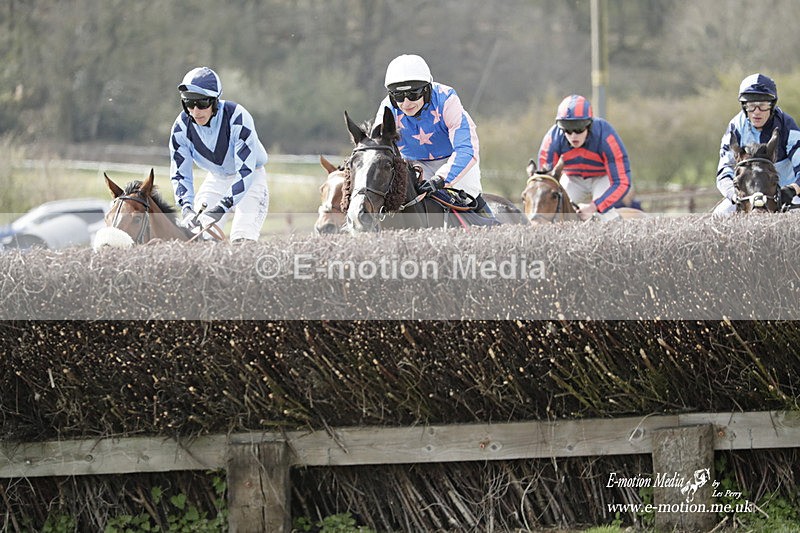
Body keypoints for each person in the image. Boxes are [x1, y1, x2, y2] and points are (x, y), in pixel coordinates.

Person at [374, 54, 490, 214]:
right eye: (399, 96)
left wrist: (440, 179)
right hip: (414, 164)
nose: (406, 103)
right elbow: (376, 150)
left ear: (427, 90)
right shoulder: (387, 107)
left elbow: (467, 149)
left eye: (413, 94)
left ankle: (491, 222)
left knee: (471, 198)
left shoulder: (446, 99)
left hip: (453, 160)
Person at [169, 66, 269, 241]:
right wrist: (186, 208)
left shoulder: (238, 117)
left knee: (242, 238)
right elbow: (180, 174)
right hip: (216, 178)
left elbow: (245, 171)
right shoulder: (181, 127)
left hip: (251, 178)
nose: (195, 111)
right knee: (198, 238)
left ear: (215, 101)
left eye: (202, 103)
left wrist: (223, 205)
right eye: (188, 103)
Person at [714, 73, 800, 215]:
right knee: (720, 214)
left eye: (763, 106)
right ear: (744, 106)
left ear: (772, 106)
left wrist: (793, 189)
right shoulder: (736, 127)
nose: (756, 112)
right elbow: (724, 171)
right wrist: (733, 195)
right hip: (747, 195)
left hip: (785, 193)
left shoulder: (787, 126)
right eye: (751, 106)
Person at [537, 95, 633, 221]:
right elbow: (544, 182)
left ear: (589, 125)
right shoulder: (552, 140)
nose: (573, 136)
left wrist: (594, 207)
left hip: (603, 178)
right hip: (572, 178)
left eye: (579, 128)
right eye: (567, 129)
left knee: (602, 216)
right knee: (556, 210)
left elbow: (622, 182)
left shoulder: (606, 137)